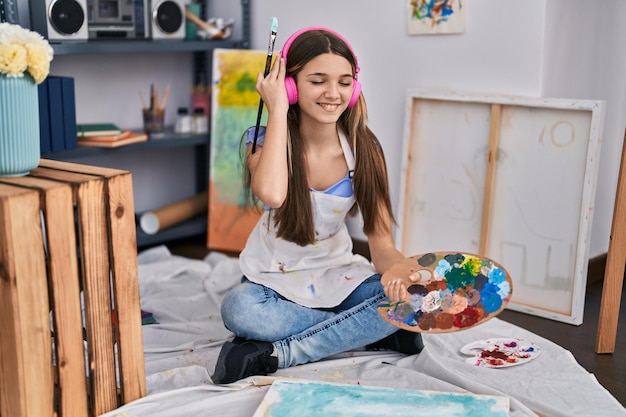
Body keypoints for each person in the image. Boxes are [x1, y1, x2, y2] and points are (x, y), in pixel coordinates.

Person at [211, 26, 423, 385]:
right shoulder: (261, 141)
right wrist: (277, 109)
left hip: (337, 275)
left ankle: (281, 354)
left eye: (343, 82)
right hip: (273, 282)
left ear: (354, 88)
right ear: (290, 86)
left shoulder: (366, 150)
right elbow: (273, 195)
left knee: (414, 302)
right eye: (317, 81)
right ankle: (371, 331)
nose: (332, 94)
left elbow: (381, 243)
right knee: (240, 310)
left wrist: (402, 278)